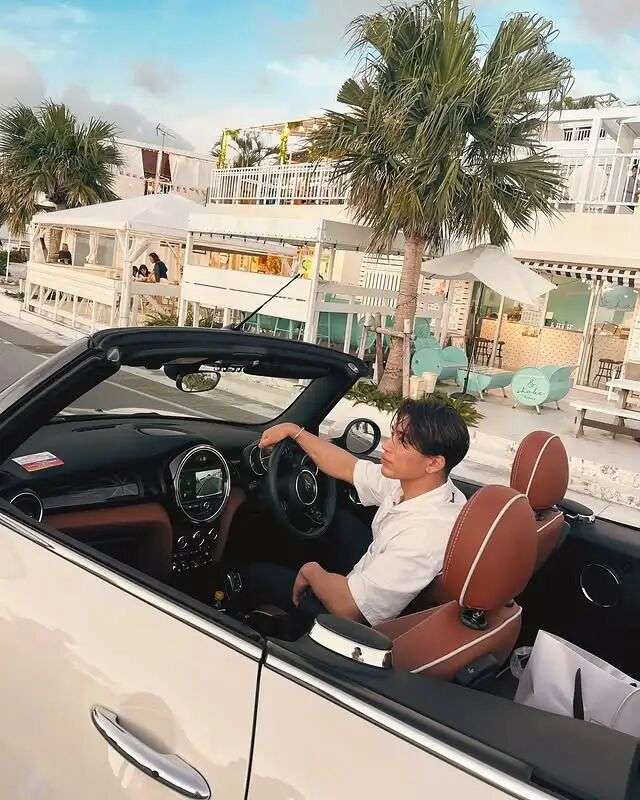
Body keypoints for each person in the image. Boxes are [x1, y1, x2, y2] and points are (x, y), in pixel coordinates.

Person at [244, 398, 470, 633]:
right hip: (368, 570)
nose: (387, 446)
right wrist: (296, 432)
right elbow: (349, 467)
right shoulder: (422, 484)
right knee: (339, 522)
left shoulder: (425, 534)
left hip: (353, 624)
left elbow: (350, 609)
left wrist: (312, 571)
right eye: (394, 434)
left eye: (403, 442)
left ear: (434, 463)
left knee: (254, 576)